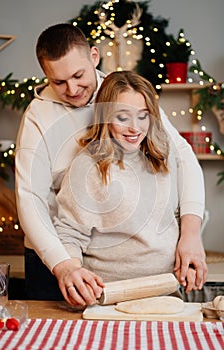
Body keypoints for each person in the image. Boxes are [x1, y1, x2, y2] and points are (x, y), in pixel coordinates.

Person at [15, 23, 207, 303]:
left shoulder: (127, 95)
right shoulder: (38, 117)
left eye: (79, 75)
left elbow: (182, 157)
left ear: (94, 56)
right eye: (58, 82)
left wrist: (190, 234)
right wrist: (64, 263)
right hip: (53, 253)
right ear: (46, 76)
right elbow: (30, 197)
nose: (72, 88)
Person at [54, 70, 207, 306]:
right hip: (107, 297)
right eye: (123, 118)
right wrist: (73, 271)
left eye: (143, 116)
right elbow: (70, 233)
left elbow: (174, 217)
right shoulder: (87, 166)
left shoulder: (164, 154)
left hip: (164, 293)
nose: (135, 128)